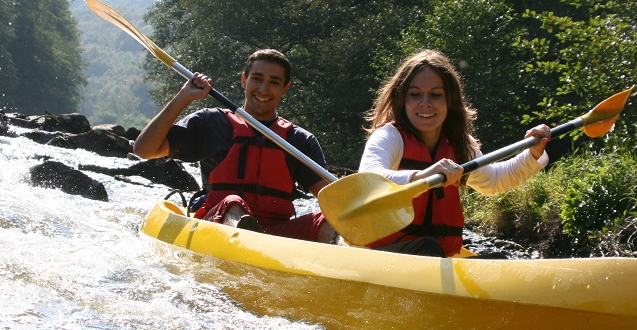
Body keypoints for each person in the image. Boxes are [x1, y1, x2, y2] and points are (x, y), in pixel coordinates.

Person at [358, 49, 551, 257]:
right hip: (381, 253)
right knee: (428, 247)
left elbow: (494, 181)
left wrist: (532, 153)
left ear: (449, 100)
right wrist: (422, 176)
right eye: (415, 94)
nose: (425, 103)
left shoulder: (458, 143)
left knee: (497, 260)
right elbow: (369, 179)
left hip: (434, 257)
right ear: (402, 99)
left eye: (436, 95)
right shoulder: (390, 136)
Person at [134, 48, 338, 244]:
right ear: (244, 80)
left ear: (285, 88)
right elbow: (144, 150)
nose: (264, 89)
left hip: (277, 235)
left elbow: (332, 200)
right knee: (232, 202)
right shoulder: (211, 123)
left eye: (274, 82)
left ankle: (354, 262)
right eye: (257, 79)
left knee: (331, 220)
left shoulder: (299, 140)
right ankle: (246, 240)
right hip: (217, 225)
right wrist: (183, 96)